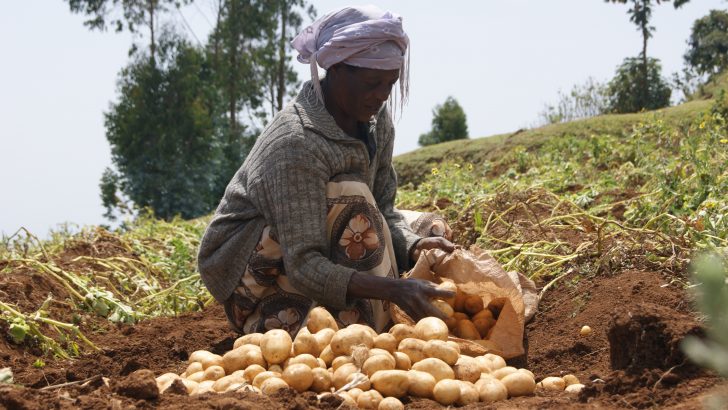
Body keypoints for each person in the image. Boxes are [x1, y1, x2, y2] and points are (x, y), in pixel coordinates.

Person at [197, 5, 455, 336]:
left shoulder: (375, 121)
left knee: (433, 233)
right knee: (353, 200)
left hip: (330, 239)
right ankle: (278, 319)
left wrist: (416, 246)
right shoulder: (297, 142)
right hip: (257, 273)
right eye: (372, 83)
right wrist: (393, 290)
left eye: (389, 84)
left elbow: (385, 212)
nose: (380, 96)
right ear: (334, 69)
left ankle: (378, 304)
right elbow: (304, 264)